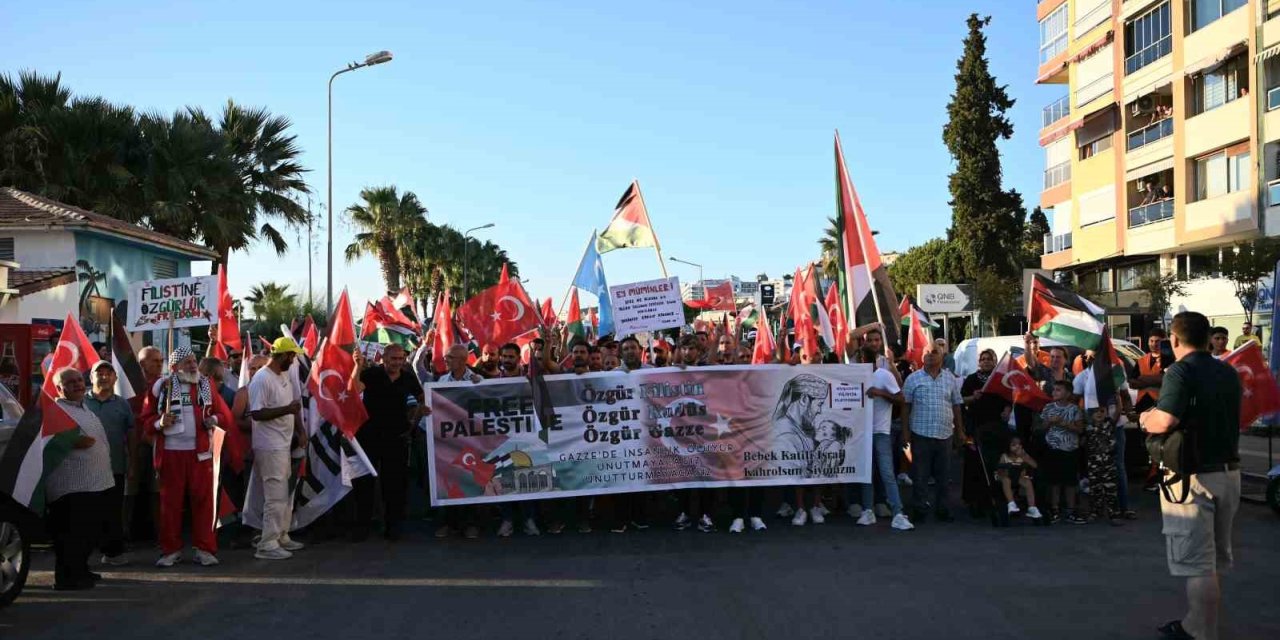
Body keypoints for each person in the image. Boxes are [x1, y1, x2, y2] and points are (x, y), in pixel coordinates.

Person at [1141, 312, 1242, 640]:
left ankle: (1200, 632)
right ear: (1209, 337)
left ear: (1174, 339)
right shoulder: (1227, 371)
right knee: (1210, 563)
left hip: (1193, 478)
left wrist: (1145, 417)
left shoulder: (1181, 371)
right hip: (1229, 473)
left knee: (1198, 565)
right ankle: (1197, 626)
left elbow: (1166, 420)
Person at [45, 367, 115, 590]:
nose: (77, 384)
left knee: (88, 533)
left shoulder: (84, 407)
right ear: (58, 388)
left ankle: (81, 569)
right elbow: (47, 440)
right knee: (70, 534)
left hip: (95, 482)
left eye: (78, 380)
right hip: (70, 485)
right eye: (70, 382)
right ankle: (66, 578)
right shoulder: (55, 410)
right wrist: (72, 442)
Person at [352, 343, 422, 541]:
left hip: (397, 438)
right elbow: (355, 388)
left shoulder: (408, 377)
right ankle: (362, 526)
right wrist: (357, 367)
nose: (398, 363)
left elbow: (422, 398)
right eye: (394, 359)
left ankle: (394, 526)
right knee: (364, 483)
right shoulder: (372, 374)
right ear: (384, 358)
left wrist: (413, 423)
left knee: (395, 485)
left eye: (401, 359)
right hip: (369, 437)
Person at [247, 338, 305, 560]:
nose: (293, 360)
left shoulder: (284, 376)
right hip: (269, 445)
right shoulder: (262, 379)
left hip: (284, 443)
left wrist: (300, 430)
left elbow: (294, 407)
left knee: (285, 494)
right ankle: (267, 543)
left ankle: (281, 534)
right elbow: (257, 414)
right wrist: (287, 410)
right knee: (275, 495)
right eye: (291, 356)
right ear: (282, 355)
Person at [901, 348, 965, 523]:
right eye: (927, 352)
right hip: (920, 434)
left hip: (945, 434)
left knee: (943, 476)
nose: (930, 354)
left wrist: (960, 431)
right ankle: (919, 509)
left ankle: (943, 509)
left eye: (934, 352)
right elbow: (905, 407)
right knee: (920, 476)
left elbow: (957, 405)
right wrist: (905, 434)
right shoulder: (913, 378)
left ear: (942, 356)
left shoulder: (950, 378)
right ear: (922, 356)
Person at [854, 346, 913, 531]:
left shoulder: (884, 375)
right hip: (862, 432)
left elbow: (901, 399)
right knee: (866, 474)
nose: (863, 362)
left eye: (866, 359)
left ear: (873, 360)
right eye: (861, 359)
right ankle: (868, 511)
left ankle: (898, 512)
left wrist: (880, 393)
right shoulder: (855, 376)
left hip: (880, 431)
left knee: (887, 472)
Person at [430, 344, 485, 539]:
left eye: (450, 357)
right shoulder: (441, 381)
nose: (446, 360)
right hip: (448, 442)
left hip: (471, 442)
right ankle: (448, 524)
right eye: (446, 357)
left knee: (471, 482)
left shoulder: (479, 381)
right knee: (449, 482)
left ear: (463, 360)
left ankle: (472, 524)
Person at [1073, 355, 1137, 520]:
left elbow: (1124, 395)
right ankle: (1097, 510)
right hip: (1092, 430)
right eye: (1090, 356)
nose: (1093, 358)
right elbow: (1075, 401)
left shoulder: (1116, 372)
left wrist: (1129, 410)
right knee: (1094, 473)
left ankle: (1122, 509)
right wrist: (1081, 425)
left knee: (1118, 468)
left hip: (1114, 428)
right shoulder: (1082, 377)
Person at [84, 360, 135, 566]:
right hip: (84, 469)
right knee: (86, 511)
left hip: (115, 467)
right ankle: (83, 555)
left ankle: (113, 553)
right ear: (91, 377)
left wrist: (133, 463)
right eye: (99, 373)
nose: (104, 377)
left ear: (115, 378)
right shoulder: (81, 402)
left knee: (112, 511)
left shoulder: (122, 404)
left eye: (108, 373)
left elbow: (131, 434)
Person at [960, 349, 1011, 518]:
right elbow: (960, 400)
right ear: (979, 362)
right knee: (975, 465)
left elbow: (1009, 399)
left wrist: (1007, 409)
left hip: (996, 429)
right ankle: (974, 502)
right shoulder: (971, 379)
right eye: (983, 359)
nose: (986, 361)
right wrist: (972, 397)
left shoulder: (1000, 379)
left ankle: (996, 499)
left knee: (995, 465)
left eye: (990, 359)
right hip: (975, 428)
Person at [671, 335, 715, 533]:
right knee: (684, 475)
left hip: (704, 432)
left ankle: (706, 514)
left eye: (691, 349)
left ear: (698, 351)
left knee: (706, 474)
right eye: (684, 349)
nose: (688, 352)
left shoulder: (708, 369)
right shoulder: (670, 373)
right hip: (681, 433)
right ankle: (685, 513)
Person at [609, 336, 652, 533]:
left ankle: (640, 516)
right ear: (621, 352)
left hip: (646, 434)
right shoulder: (612, 375)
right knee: (623, 475)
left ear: (640, 349)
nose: (630, 351)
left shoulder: (653, 372)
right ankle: (621, 518)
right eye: (625, 348)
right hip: (622, 433)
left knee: (642, 474)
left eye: (633, 348)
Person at [1040, 380, 1086, 524]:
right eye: (1054, 390)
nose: (1055, 392)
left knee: (1070, 482)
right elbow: (1042, 428)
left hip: (1070, 449)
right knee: (1054, 481)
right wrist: (1050, 422)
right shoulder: (1048, 408)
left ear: (1068, 393)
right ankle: (1055, 509)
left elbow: (1080, 429)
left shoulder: (1074, 409)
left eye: (1058, 390)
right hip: (1053, 449)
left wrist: (1065, 423)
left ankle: (1071, 510)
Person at [1084, 407, 1122, 526]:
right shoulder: (1087, 427)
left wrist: (1117, 399)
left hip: (1108, 463)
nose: (1099, 414)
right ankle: (1095, 512)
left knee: (1111, 489)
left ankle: (1114, 514)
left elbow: (1117, 412)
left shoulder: (1109, 424)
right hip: (1093, 463)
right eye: (1096, 412)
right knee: (1095, 488)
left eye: (1102, 411)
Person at [995, 436, 1042, 519]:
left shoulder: (1023, 454)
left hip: (1018, 476)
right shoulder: (1004, 456)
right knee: (1006, 480)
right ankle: (1011, 503)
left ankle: (1032, 507)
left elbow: (1035, 465)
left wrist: (1024, 457)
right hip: (1005, 476)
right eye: (1014, 445)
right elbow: (1000, 469)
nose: (1017, 447)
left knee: (1027, 482)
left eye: (1019, 445)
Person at [1133, 329, 1166, 413]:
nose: (1154, 344)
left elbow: (1166, 380)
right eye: (1151, 341)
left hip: (1160, 404)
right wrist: (1154, 380)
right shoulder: (1141, 360)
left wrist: (1143, 379)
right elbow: (1132, 382)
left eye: (1157, 341)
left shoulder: (1168, 360)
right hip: (1142, 403)